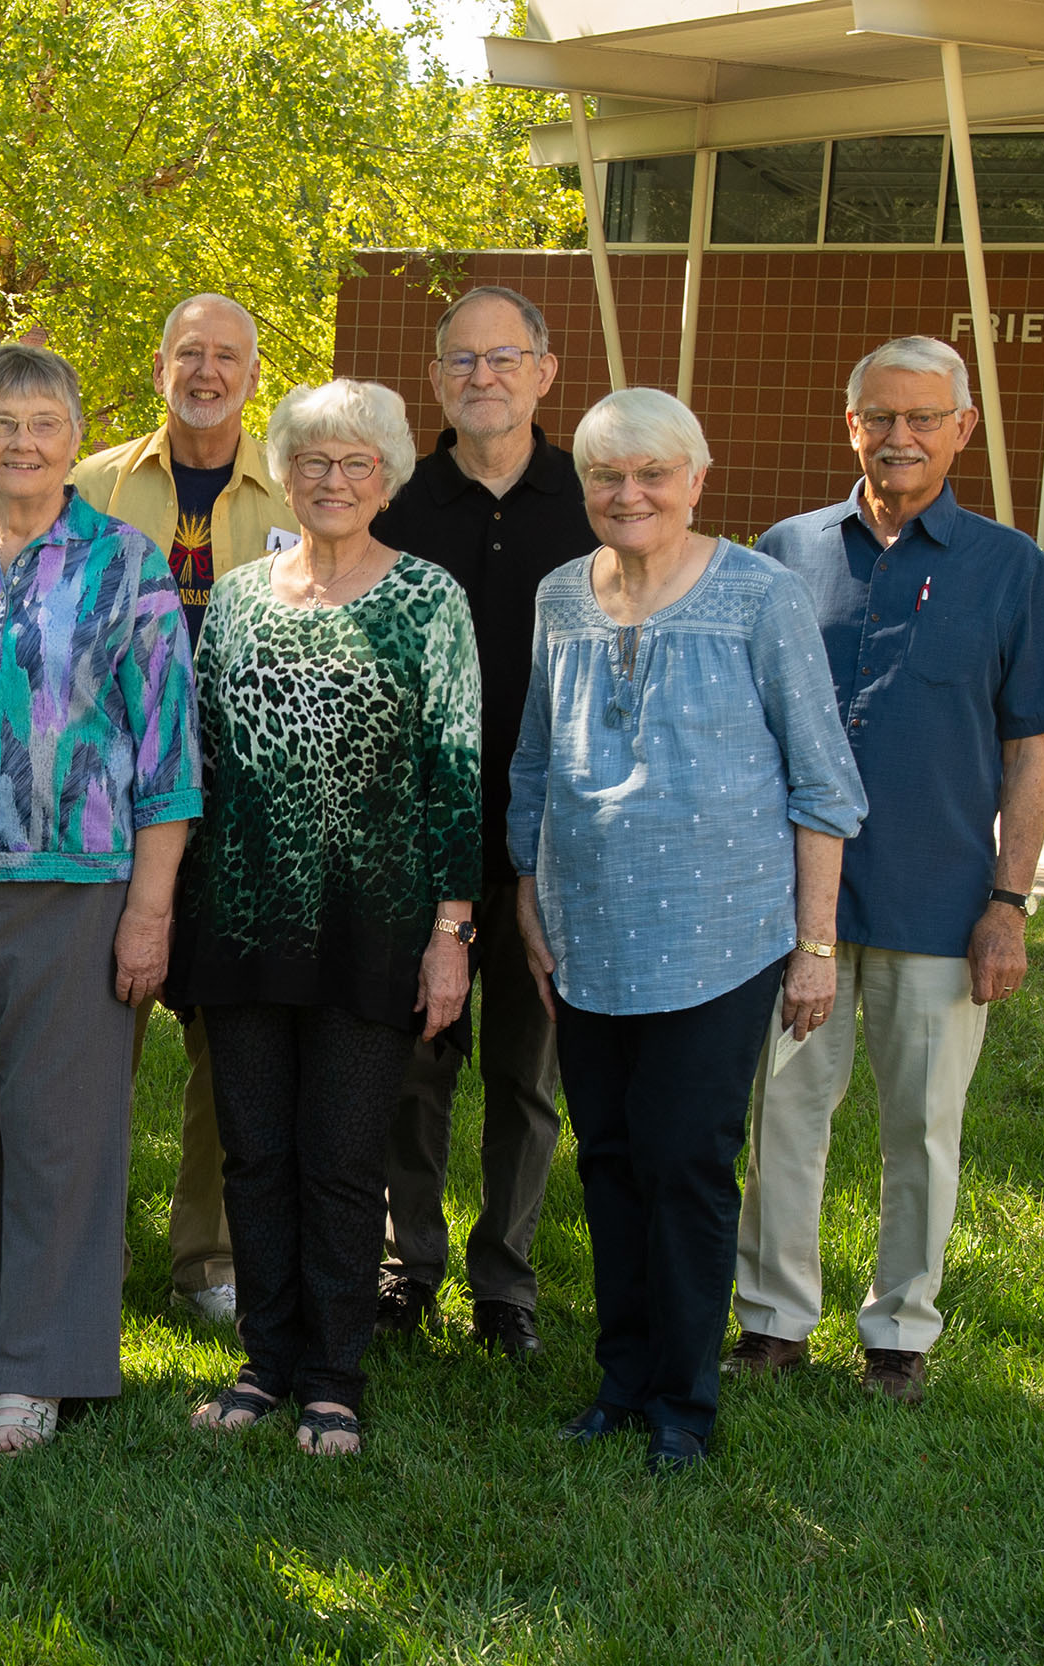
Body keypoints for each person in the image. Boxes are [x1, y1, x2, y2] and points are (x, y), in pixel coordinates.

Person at [507, 388, 867, 1475]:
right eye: (607, 477)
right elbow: (533, 763)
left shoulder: (758, 595)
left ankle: (685, 1402)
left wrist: (814, 945)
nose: (629, 495)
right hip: (585, 938)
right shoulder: (560, 595)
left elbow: (821, 778)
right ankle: (620, 1381)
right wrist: (529, 901)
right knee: (608, 1159)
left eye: (652, 474)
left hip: (721, 938)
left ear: (695, 481)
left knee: (687, 1162)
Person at [729, 337, 1044, 1405]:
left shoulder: (1010, 568)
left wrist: (1008, 905)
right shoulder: (782, 553)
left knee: (921, 1129)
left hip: (940, 903)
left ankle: (897, 1332)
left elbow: (1029, 753)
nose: (899, 437)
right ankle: (773, 1322)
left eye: (923, 418)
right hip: (795, 909)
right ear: (850, 425)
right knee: (784, 1114)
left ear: (961, 429)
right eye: (879, 417)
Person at [0, 343, 200, 1453]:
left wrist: (149, 911)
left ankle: (41, 1366)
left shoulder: (123, 561)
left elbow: (167, 755)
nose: (22, 441)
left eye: (43, 423)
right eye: (1, 422)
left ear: (74, 436)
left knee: (60, 1132)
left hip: (79, 885)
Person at [169, 380, 482, 1457]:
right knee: (252, 1153)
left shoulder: (430, 598)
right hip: (245, 915)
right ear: (286, 474)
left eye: (355, 464)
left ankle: (335, 1375)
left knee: (342, 1157)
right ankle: (267, 1359)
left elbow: (455, 772)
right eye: (312, 462)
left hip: (374, 925)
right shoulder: (244, 597)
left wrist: (452, 933)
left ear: (386, 477)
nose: (332, 481)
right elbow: (202, 760)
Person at [365, 286, 596, 1359]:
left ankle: (504, 1281)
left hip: (550, 846)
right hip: (417, 844)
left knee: (524, 1072)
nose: (483, 378)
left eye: (505, 358)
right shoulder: (396, 506)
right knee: (413, 1066)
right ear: (435, 380)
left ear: (546, 372)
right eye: (462, 361)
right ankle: (406, 1263)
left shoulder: (595, 505)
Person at [71, 292, 291, 1325]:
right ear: (158, 366)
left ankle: (204, 1256)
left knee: (227, 1041)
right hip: (108, 809)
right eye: (188, 354)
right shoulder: (89, 487)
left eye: (228, 357)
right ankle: (86, 1241)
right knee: (92, 1033)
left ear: (255, 373)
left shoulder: (295, 493)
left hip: (245, 812)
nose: (207, 372)